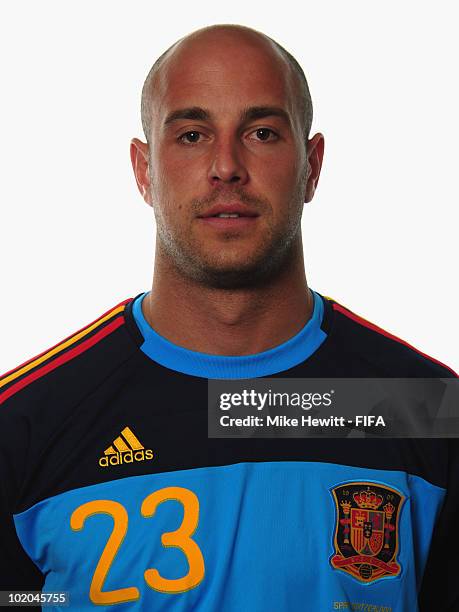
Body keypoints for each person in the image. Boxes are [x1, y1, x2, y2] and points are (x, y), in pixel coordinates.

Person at [0, 24, 456, 612]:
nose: (226, 166)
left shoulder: (425, 409)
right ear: (144, 170)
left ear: (312, 166)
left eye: (262, 132)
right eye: (192, 134)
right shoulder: (24, 425)